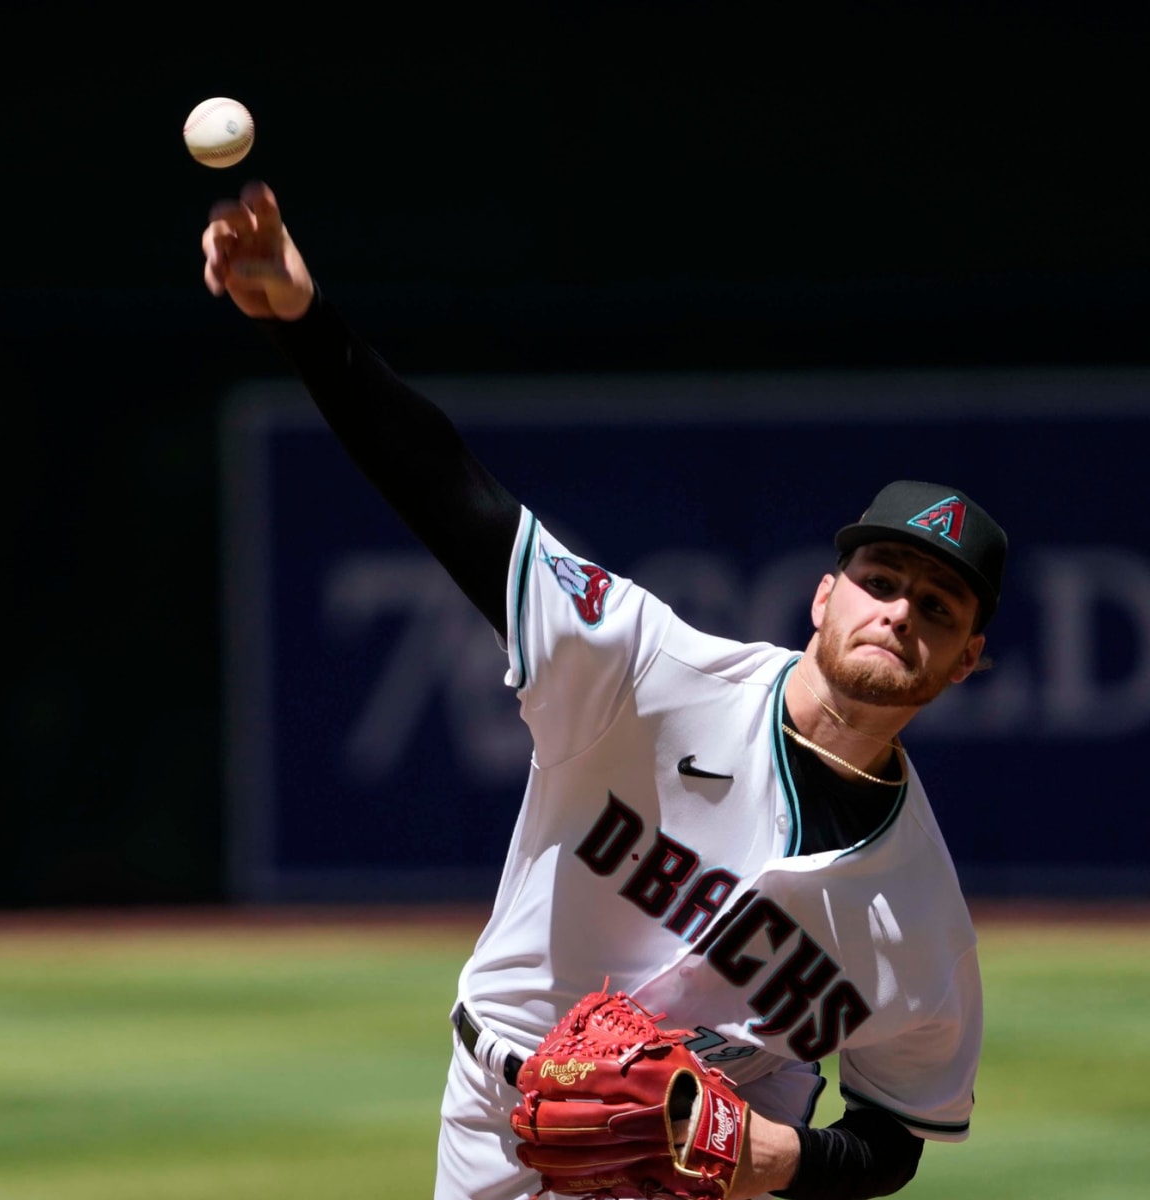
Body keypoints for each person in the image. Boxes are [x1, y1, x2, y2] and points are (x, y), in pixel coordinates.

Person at [201, 182, 1007, 1200]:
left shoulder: (924, 919)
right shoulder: (642, 669)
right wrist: (305, 324)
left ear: (968, 659)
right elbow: (453, 497)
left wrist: (781, 1159)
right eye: (881, 582)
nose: (899, 612)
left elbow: (893, 1139)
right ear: (823, 596)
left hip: (704, 1160)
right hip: (495, 1113)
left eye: (937, 607)